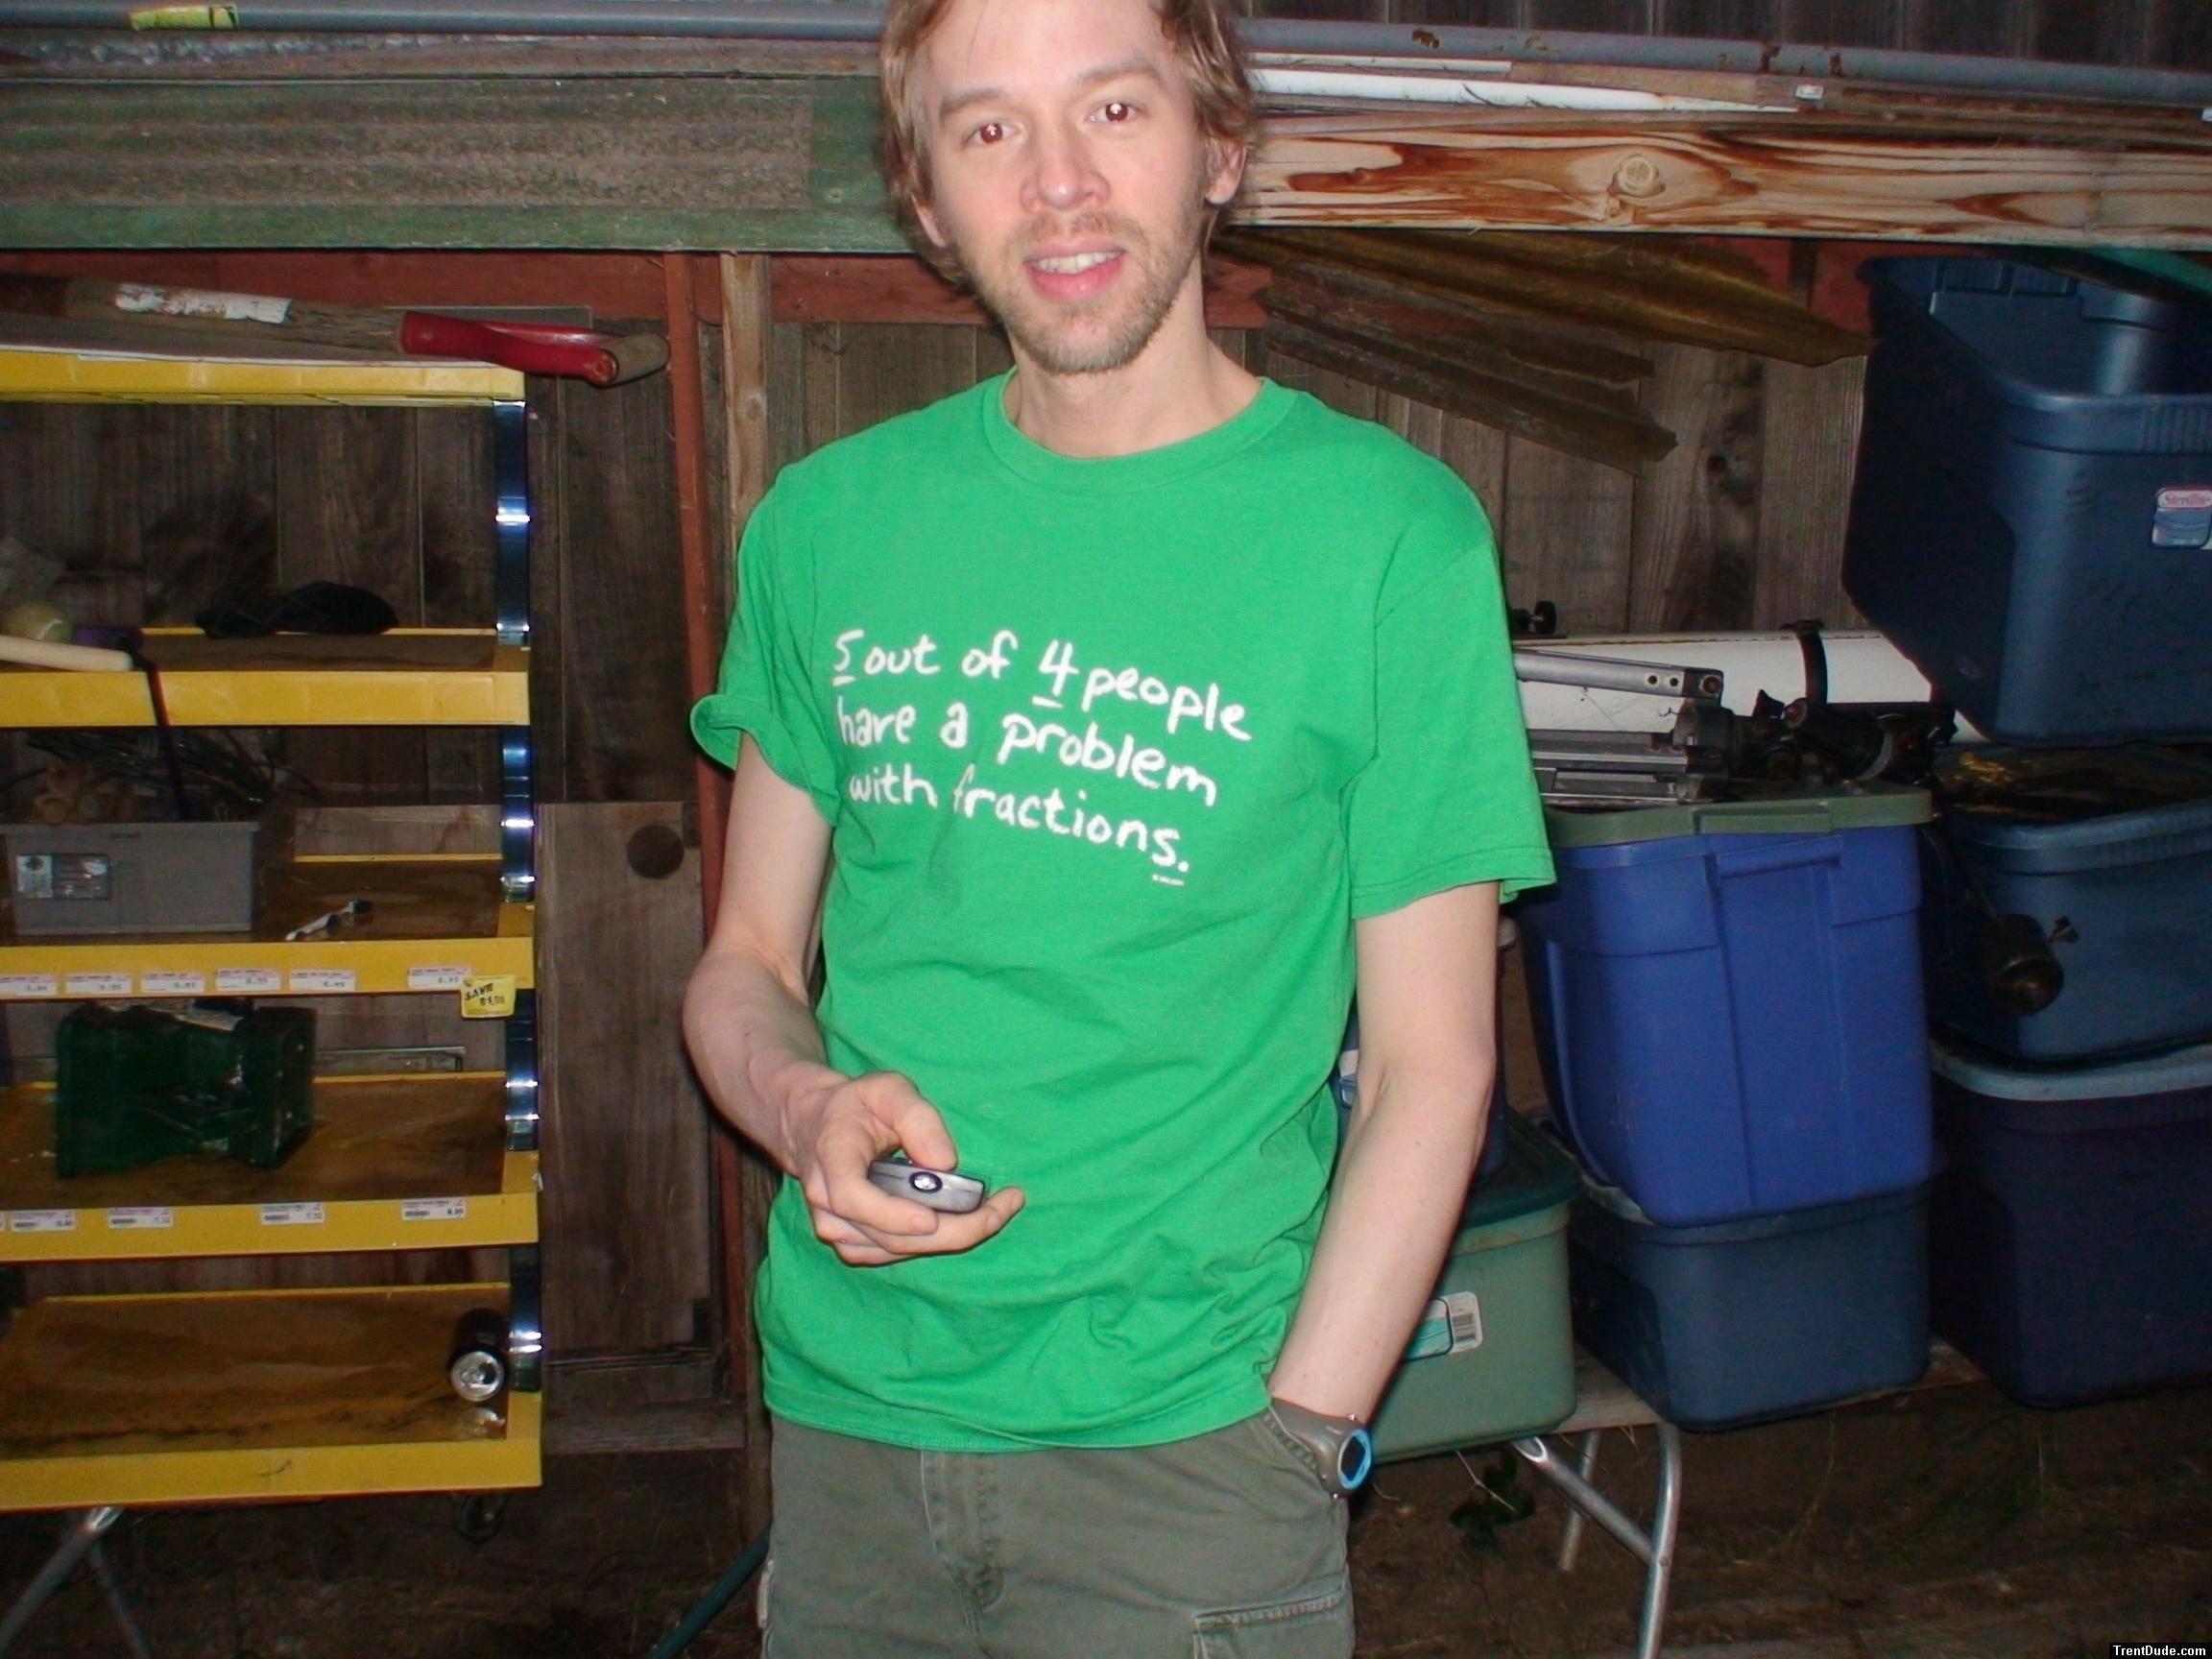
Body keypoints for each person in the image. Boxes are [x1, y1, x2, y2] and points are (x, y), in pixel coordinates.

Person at [682, 0, 1552, 1650]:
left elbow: (1435, 1064)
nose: (1060, 185)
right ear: (927, 200)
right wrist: (803, 1110)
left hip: (1198, 1456)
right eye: (989, 128)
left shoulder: (1387, 542)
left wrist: (1302, 1434)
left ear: (1218, 147)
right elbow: (739, 963)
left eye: (1116, 111)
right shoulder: (828, 526)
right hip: (855, 1424)